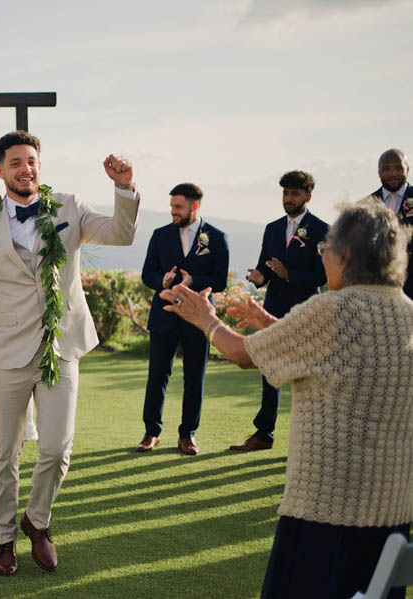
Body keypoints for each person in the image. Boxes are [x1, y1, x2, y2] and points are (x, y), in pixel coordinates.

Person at [162, 199, 413, 598]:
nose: (323, 256)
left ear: (345, 255)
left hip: (325, 514)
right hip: (393, 518)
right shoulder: (407, 313)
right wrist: (275, 327)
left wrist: (204, 318)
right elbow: (339, 356)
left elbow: (244, 355)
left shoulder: (334, 309)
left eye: (325, 248)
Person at [0, 131, 140, 576]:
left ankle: (38, 521)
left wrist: (124, 188)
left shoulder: (69, 207)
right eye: (15, 162)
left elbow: (121, 234)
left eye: (31, 160)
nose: (25, 168)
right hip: (7, 351)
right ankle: (4, 539)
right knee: (4, 452)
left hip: (61, 346)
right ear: (0, 171)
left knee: (56, 448)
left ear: (39, 165)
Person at [232, 171, 328, 452]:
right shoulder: (273, 228)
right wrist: (260, 277)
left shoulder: (322, 229)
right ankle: (263, 435)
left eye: (295, 194)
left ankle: (312, 440)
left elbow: (321, 275)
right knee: (270, 368)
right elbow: (265, 264)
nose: (288, 199)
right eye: (285, 193)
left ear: (308, 196)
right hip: (273, 305)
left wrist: (288, 274)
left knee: (309, 374)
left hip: (306, 311)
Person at [137, 183, 228, 456]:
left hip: (198, 318)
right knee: (157, 376)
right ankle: (151, 432)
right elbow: (147, 273)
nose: (172, 212)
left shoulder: (216, 236)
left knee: (194, 378)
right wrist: (160, 280)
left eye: (178, 207)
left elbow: (220, 280)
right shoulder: (160, 235)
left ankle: (187, 435)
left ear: (194, 206)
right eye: (171, 206)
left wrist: (194, 281)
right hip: (164, 315)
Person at [370, 148, 413, 298]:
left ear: (407, 169)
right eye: (386, 169)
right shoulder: (366, 205)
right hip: (378, 290)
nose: (392, 173)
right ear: (379, 172)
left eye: (398, 168)